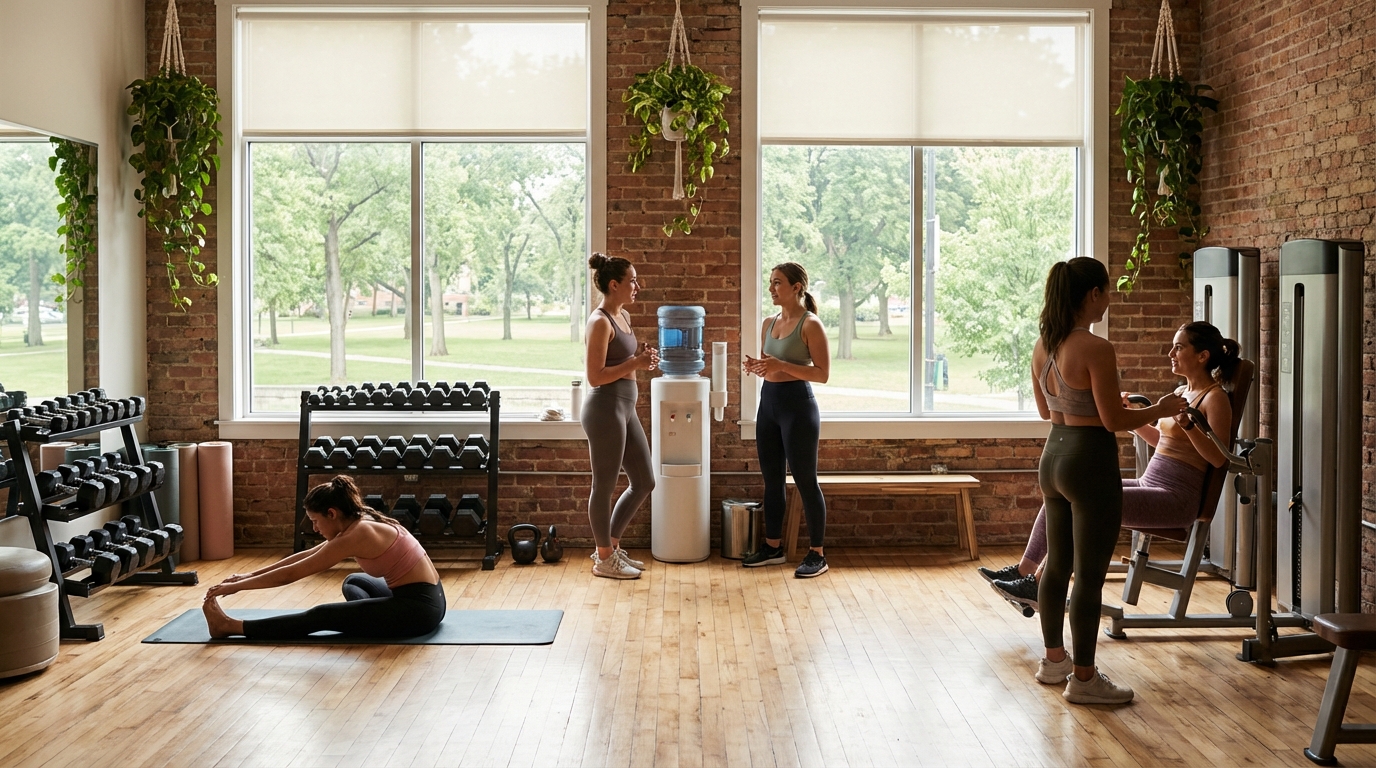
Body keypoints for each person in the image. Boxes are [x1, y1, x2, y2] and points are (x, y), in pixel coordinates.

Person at [983, 321, 1242, 611]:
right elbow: (1162, 441)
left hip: (1176, 499)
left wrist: (1190, 426)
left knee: (1084, 503)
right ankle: (1024, 572)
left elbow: (1219, 458)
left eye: (1179, 347)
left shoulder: (1215, 399)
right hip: (1150, 485)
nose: (1170, 353)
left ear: (1202, 356)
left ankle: (1039, 582)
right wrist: (1132, 417)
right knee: (1064, 495)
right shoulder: (1181, 392)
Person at [1024, 257, 1186, 705]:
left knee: (1057, 564)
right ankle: (1085, 678)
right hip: (1089, 460)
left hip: (1053, 456)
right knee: (1090, 575)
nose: (1109, 300)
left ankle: (1054, 661)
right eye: (1107, 291)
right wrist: (1161, 409)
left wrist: (1094, 404)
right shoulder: (1096, 348)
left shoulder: (1043, 345)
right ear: (1092, 294)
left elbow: (1045, 412)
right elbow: (1113, 420)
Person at [202, 476, 446, 640]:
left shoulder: (358, 534)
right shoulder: (358, 519)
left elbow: (291, 575)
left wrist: (238, 586)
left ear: (332, 513)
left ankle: (230, 627)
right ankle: (365, 620)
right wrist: (248, 575)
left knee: (321, 615)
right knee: (354, 581)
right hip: (427, 595)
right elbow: (307, 555)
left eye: (316, 521)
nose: (315, 528)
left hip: (421, 610)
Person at [741, 262, 832, 578]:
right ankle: (773, 547)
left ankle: (817, 554)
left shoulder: (811, 325)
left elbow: (822, 374)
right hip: (768, 405)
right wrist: (759, 367)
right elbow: (773, 366)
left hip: (798, 408)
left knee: (806, 481)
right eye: (770, 282)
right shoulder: (768, 322)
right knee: (772, 480)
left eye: (777, 282)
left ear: (796, 287)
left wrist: (781, 364)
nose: (771, 288)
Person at [582, 252, 659, 580]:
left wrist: (642, 359)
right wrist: (636, 364)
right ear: (614, 285)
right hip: (604, 409)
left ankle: (611, 547)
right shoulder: (599, 321)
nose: (637, 286)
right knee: (605, 485)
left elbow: (625, 360)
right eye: (632, 281)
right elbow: (595, 376)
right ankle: (604, 558)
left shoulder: (622, 316)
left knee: (644, 481)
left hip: (623, 408)